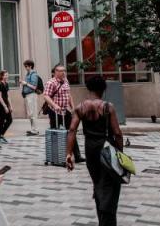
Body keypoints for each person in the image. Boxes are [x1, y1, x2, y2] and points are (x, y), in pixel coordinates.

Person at [66, 76, 124, 226]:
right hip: (106, 149)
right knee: (110, 187)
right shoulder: (107, 107)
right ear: (103, 89)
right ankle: (107, 222)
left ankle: (102, 220)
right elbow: (117, 133)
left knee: (98, 183)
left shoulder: (80, 107)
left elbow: (72, 130)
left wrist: (68, 154)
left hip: (90, 149)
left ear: (88, 88)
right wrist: (120, 154)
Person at [45, 65, 83, 162]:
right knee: (55, 133)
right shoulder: (51, 82)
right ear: (55, 72)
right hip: (54, 112)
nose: (63, 73)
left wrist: (72, 107)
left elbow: (68, 94)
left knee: (71, 131)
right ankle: (56, 156)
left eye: (64, 71)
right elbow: (46, 96)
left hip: (65, 111)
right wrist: (54, 105)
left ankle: (77, 156)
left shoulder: (65, 81)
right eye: (61, 71)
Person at [20, 59, 41, 136]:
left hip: (32, 95)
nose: (25, 68)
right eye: (25, 66)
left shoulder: (33, 74)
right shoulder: (28, 74)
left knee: (33, 113)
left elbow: (34, 87)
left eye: (26, 66)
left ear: (30, 66)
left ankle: (35, 130)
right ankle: (33, 129)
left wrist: (25, 83)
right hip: (28, 95)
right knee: (30, 114)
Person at [0, 70, 12, 144]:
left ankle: (1, 135)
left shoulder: (6, 84)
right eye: (6, 75)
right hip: (0, 105)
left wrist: (10, 106)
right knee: (1, 120)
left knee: (9, 120)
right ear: (2, 76)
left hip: (6, 104)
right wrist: (5, 106)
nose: (7, 76)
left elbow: (8, 96)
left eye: (7, 75)